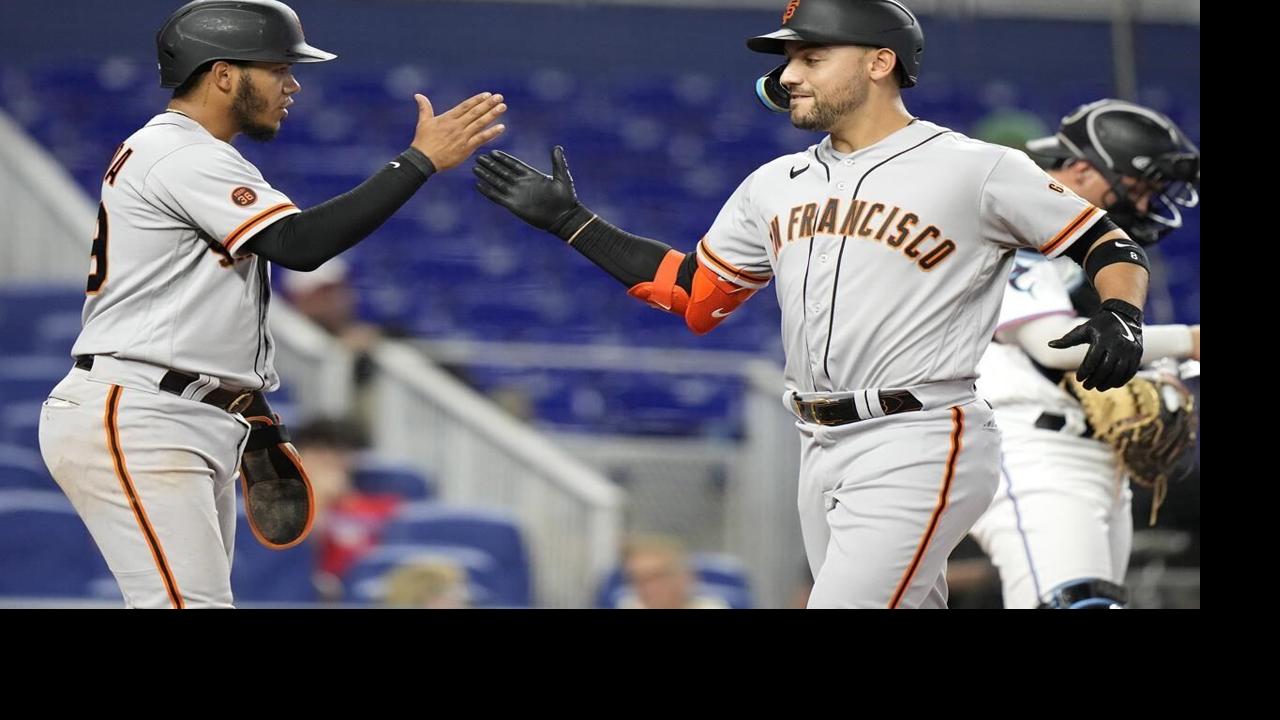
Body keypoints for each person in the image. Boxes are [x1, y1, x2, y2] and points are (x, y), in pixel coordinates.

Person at [473, 0, 1151, 608]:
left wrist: (1122, 312)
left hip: (919, 435)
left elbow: (1107, 242)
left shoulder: (976, 167)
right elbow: (695, 296)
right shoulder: (775, 183)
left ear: (880, 62)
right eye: (791, 57)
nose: (790, 73)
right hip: (819, 444)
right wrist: (575, 224)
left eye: (812, 55)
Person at [37, 0, 505, 608]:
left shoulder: (190, 153)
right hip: (144, 408)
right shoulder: (181, 154)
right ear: (223, 74)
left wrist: (244, 405)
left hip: (177, 408)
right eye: (278, 68)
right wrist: (417, 163)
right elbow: (299, 244)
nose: (293, 83)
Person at [968, 99, 1201, 609]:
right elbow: (1054, 343)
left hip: (1094, 459)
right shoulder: (1012, 225)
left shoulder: (1095, 255)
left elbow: (1112, 340)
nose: (1143, 206)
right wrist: (1189, 339)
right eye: (1138, 189)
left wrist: (1161, 376)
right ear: (1078, 170)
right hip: (1032, 451)